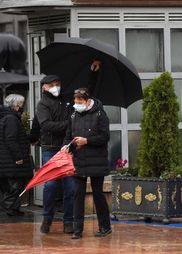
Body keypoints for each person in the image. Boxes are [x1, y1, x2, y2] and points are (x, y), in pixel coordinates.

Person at [62, 88, 111, 239]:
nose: (77, 105)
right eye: (75, 102)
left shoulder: (100, 114)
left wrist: (87, 141)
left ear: (88, 100)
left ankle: (105, 226)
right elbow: (68, 135)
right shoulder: (73, 115)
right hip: (79, 160)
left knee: (98, 194)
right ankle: (78, 230)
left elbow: (105, 137)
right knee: (78, 194)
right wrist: (66, 146)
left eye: (80, 102)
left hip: (97, 160)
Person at [36, 75, 75, 234]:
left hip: (67, 148)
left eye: (58, 84)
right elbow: (46, 125)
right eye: (52, 84)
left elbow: (85, 92)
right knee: (51, 184)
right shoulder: (42, 104)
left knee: (70, 187)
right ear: (44, 87)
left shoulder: (66, 100)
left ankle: (68, 221)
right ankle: (47, 218)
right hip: (50, 148)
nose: (55, 87)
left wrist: (93, 73)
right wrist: (68, 124)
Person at [0, 94, 33, 216]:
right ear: (17, 105)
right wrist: (18, 157)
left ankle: (13, 208)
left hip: (6, 160)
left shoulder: (6, 117)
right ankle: (7, 205)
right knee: (18, 183)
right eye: (22, 103)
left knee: (10, 185)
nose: (22, 106)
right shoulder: (11, 119)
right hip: (12, 160)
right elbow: (11, 139)